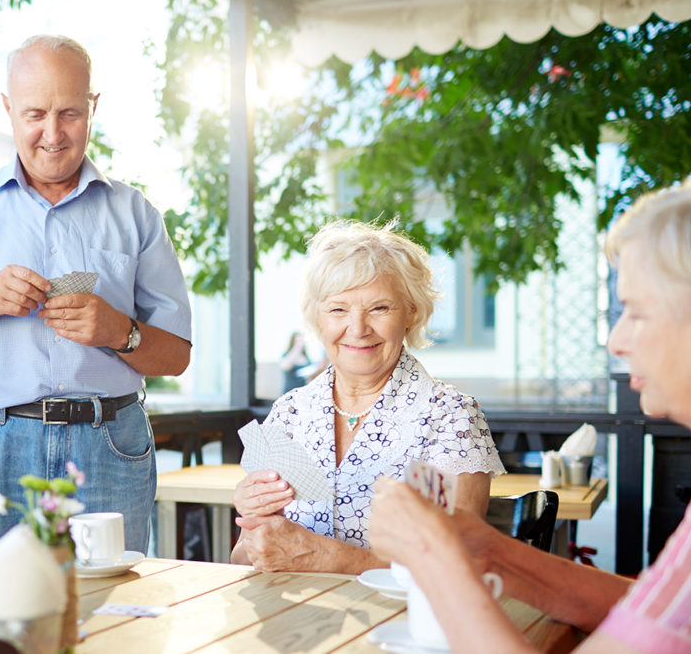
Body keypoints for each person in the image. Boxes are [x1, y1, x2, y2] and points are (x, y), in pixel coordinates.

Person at [0, 34, 192, 581]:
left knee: (110, 624)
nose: (53, 134)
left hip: (110, 446)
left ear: (94, 108)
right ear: (9, 109)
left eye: (70, 114)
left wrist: (119, 331)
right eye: (35, 113)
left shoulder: (137, 214)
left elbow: (175, 356)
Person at [370, 184, 691, 653]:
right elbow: (657, 612)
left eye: (636, 313)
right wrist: (489, 551)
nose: (615, 341)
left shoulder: (450, 407)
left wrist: (434, 558)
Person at [231, 219, 503, 573]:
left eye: (379, 308)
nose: (358, 329)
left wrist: (322, 557)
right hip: (297, 622)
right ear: (318, 318)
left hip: (400, 620)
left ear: (412, 312)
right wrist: (253, 518)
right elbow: (240, 557)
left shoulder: (452, 416)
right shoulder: (290, 412)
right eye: (338, 309)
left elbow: (456, 563)